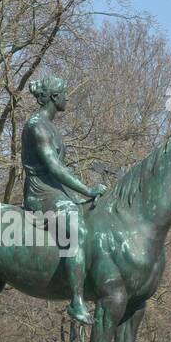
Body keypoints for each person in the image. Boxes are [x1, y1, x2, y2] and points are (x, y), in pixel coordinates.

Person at [21, 76, 105, 324]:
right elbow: (55, 169)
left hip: (57, 192)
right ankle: (77, 302)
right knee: (75, 228)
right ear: (55, 97)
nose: (68, 97)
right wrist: (87, 189)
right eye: (65, 93)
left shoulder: (51, 126)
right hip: (41, 194)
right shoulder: (36, 126)